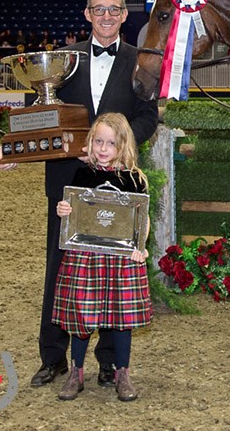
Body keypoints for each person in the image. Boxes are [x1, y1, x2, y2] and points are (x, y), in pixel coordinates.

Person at [0, 0, 158, 389]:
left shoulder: (141, 61)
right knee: (60, 269)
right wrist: (13, 149)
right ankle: (53, 357)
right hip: (66, 182)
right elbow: (43, 111)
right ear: (87, 14)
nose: (106, 16)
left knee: (110, 273)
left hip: (116, 186)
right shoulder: (63, 61)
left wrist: (114, 149)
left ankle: (106, 362)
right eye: (98, 10)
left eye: (114, 10)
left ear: (124, 15)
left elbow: (147, 117)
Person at [54, 112, 152, 401]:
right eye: (98, 141)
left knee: (122, 320)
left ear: (124, 146)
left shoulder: (135, 179)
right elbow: (71, 213)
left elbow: (141, 219)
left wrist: (141, 246)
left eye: (111, 143)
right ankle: (77, 372)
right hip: (85, 258)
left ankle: (123, 373)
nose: (103, 148)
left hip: (122, 261)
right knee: (81, 318)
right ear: (91, 142)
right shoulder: (82, 174)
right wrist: (64, 211)